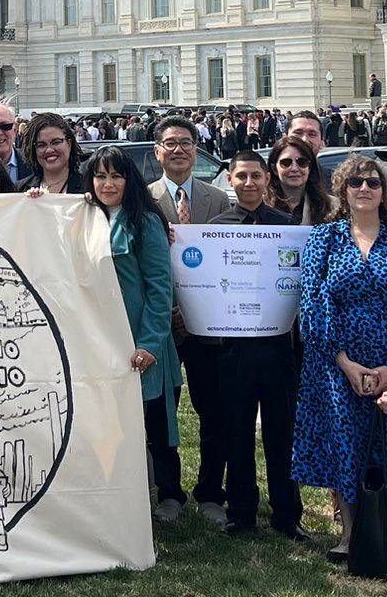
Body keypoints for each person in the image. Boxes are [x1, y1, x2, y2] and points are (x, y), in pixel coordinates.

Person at [292, 156, 387, 567]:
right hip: (337, 361)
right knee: (346, 442)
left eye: (372, 182)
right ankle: (350, 532)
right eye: (355, 182)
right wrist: (345, 362)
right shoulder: (324, 239)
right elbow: (313, 301)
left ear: (384, 190)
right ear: (342, 190)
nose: (364, 188)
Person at [209, 150, 307, 541]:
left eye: (256, 177)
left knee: (282, 433)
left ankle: (287, 513)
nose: (249, 184)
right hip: (232, 347)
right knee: (237, 430)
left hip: (279, 346)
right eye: (241, 177)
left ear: (267, 179)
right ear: (230, 181)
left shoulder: (288, 227)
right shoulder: (215, 227)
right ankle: (242, 511)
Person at [88, 145, 185, 523]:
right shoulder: (84, 218)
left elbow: (160, 288)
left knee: (152, 425)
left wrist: (149, 342)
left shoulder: (145, 222)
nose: (108, 184)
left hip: (142, 342)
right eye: (100, 176)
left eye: (116, 176)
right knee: (112, 429)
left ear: (130, 180)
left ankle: (161, 498)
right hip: (100, 341)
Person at [146, 112, 232, 525]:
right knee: (162, 411)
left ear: (196, 150)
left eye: (186, 143)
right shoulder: (143, 199)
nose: (178, 150)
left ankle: (211, 492)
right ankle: (169, 492)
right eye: (170, 143)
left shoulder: (217, 200)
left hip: (208, 326)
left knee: (213, 409)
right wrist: (171, 310)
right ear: (157, 151)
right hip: (161, 324)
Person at [268, 135, 333, 225]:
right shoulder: (260, 206)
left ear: (309, 168)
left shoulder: (330, 207)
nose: (294, 168)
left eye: (302, 162)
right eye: (286, 163)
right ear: (274, 168)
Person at [21, 111, 86, 195]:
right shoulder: (21, 189)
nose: (49, 150)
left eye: (56, 142)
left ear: (69, 144)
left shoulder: (88, 186)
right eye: (41, 145)